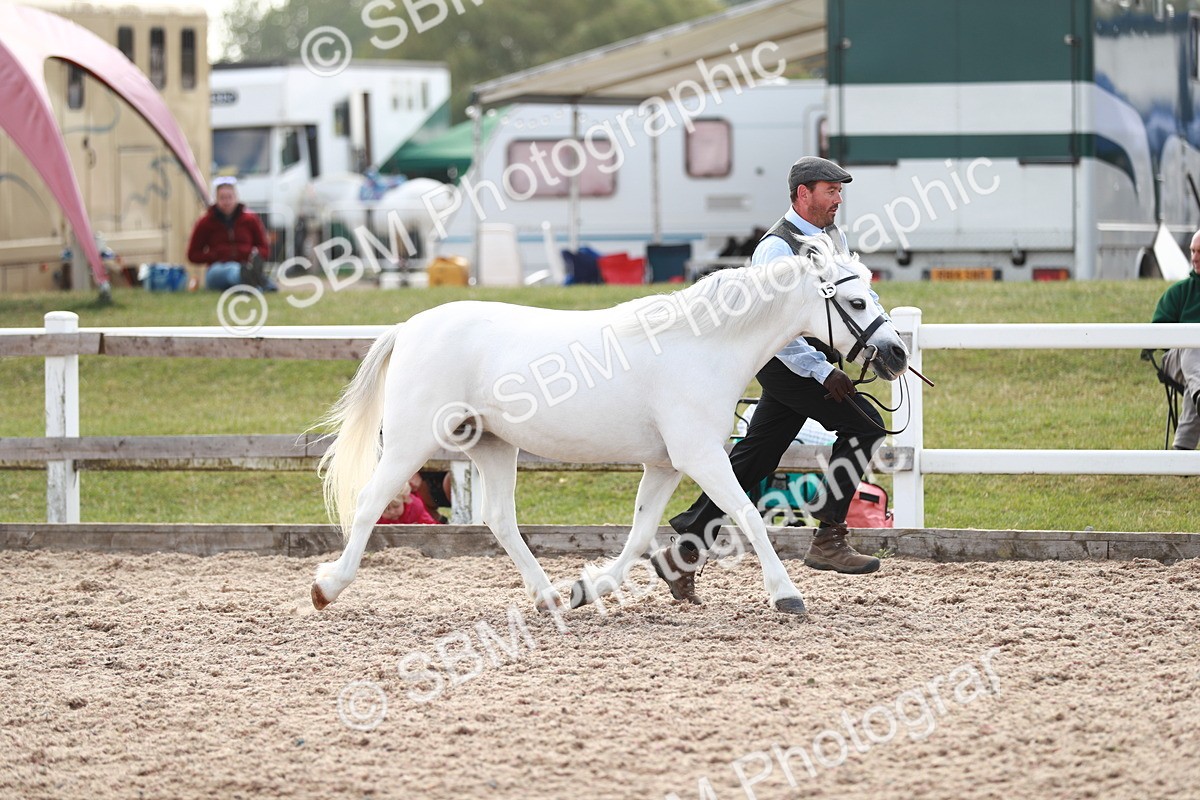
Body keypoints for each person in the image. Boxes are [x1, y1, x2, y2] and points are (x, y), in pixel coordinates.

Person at [651, 156, 894, 605]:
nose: (838, 199)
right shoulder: (775, 250)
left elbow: (849, 292)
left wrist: (880, 332)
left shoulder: (830, 238)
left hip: (811, 361)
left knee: (754, 458)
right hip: (786, 363)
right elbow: (770, 331)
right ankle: (828, 537)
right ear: (803, 194)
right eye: (830, 191)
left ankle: (683, 554)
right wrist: (823, 371)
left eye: (840, 192)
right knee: (866, 426)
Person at [1150, 228, 1200, 449]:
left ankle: (1182, 448)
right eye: (1192, 251)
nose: (1195, 258)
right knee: (1191, 342)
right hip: (1177, 361)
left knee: (1196, 378)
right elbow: (1156, 336)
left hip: (1195, 372)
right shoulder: (1179, 292)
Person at [186, 176, 271, 290]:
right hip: (217, 269)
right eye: (222, 198)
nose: (226, 202)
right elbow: (192, 255)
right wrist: (215, 254)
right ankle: (253, 280)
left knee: (242, 269)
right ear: (216, 199)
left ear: (236, 197)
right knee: (232, 270)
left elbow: (265, 249)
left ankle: (248, 282)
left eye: (229, 197)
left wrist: (251, 253)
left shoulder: (251, 220)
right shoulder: (205, 222)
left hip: (245, 264)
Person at [377, 475, 443, 525]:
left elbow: (431, 526)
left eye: (396, 506)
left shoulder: (415, 507)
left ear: (404, 498)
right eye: (385, 510)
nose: (392, 512)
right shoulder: (376, 517)